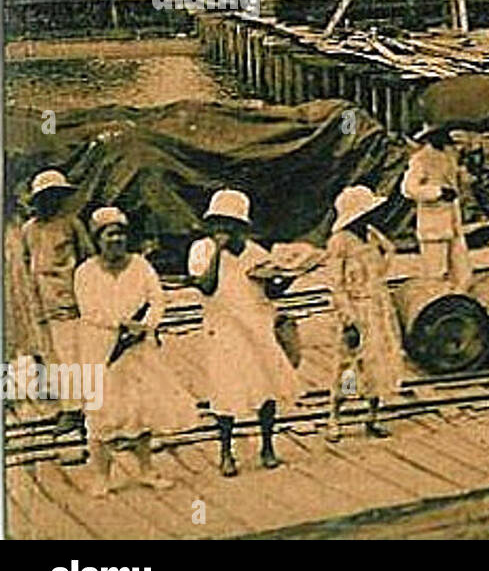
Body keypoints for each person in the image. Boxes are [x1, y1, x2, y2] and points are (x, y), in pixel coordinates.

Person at [75, 207, 191, 496]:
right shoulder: (85, 271)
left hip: (138, 347)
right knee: (100, 411)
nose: (115, 240)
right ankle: (101, 475)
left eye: (120, 234)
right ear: (97, 239)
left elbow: (157, 300)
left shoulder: (140, 265)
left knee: (141, 409)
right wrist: (121, 324)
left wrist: (146, 325)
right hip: (102, 348)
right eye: (108, 234)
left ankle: (147, 470)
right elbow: (89, 309)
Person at [188, 190, 297, 476]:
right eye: (219, 223)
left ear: (242, 227)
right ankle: (226, 452)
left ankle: (267, 446)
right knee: (225, 392)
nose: (224, 230)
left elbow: (270, 290)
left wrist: (287, 277)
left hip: (258, 326)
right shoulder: (202, 249)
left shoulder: (256, 253)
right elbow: (206, 286)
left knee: (266, 388)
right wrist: (218, 253)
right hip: (222, 331)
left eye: (231, 224)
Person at [323, 185, 405, 442]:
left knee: (379, 364)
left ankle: (371, 416)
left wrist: (381, 243)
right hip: (356, 311)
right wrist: (348, 317)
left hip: (377, 308)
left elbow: (388, 257)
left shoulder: (370, 236)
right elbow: (335, 284)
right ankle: (336, 418)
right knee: (349, 367)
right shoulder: (340, 242)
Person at [18, 169, 93, 430]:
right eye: (43, 198)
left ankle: (77, 410)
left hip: (69, 298)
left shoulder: (71, 224)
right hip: (43, 299)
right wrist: (32, 301)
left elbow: (87, 258)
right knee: (51, 355)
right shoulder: (29, 230)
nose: (48, 203)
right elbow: (28, 265)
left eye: (54, 197)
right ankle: (66, 405)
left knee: (72, 354)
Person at [401, 125, 471, 288]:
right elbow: (408, 189)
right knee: (435, 273)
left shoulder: (449, 155)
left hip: (453, 222)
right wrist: (437, 192)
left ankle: (460, 301)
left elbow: (456, 180)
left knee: (462, 272)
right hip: (433, 223)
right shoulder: (421, 159)